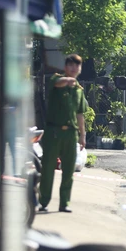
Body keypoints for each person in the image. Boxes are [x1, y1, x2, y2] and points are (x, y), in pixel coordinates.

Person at [38, 54, 88, 213]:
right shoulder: (56, 79)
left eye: (77, 66)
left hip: (70, 133)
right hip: (54, 131)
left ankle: (64, 203)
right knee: (47, 168)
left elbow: (80, 114)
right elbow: (58, 84)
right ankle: (43, 201)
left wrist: (82, 135)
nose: (74, 68)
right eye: (71, 65)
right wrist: (69, 81)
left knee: (68, 170)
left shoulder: (79, 90)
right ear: (66, 67)